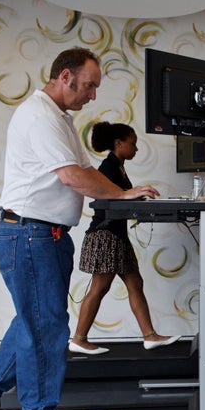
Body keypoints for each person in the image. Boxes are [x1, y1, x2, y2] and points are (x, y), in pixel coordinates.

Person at [0, 47, 159, 410]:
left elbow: (84, 169)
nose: (93, 95)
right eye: (89, 85)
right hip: (30, 233)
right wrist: (120, 196)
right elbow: (71, 176)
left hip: (45, 234)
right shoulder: (39, 117)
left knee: (34, 320)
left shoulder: (60, 118)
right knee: (47, 325)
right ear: (65, 77)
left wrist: (122, 192)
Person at [69, 122, 181, 354]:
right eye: (133, 144)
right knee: (100, 287)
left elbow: (122, 197)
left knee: (135, 283)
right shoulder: (108, 168)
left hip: (117, 236)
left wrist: (139, 198)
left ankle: (150, 336)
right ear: (118, 144)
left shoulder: (117, 167)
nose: (136, 149)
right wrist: (136, 197)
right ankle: (79, 339)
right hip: (105, 236)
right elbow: (111, 200)